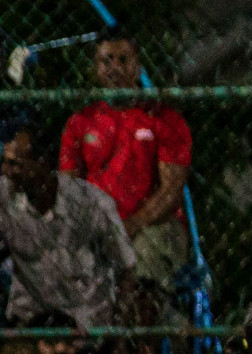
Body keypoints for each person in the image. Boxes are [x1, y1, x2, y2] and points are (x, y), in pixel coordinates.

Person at [59, 26, 192, 298]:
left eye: (123, 59)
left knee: (143, 261)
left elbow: (171, 191)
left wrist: (129, 226)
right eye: (106, 60)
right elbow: (67, 185)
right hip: (98, 226)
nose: (114, 68)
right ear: (95, 68)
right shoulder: (80, 122)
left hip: (152, 227)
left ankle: (143, 334)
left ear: (138, 66)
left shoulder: (163, 118)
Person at [0, 122, 136, 329]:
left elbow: (127, 266)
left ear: (43, 163)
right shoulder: (5, 197)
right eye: (5, 162)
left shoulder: (90, 202)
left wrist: (119, 328)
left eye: (15, 164)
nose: (5, 171)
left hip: (87, 320)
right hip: (30, 319)